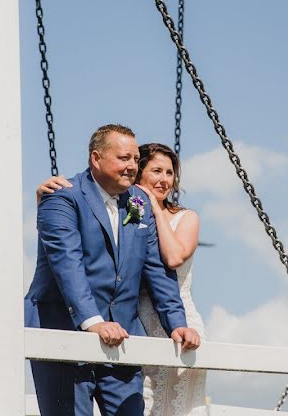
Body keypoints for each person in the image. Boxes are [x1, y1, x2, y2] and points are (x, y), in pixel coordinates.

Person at [25, 124, 201, 416]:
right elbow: (68, 264)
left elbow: (158, 271)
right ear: (96, 158)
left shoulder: (139, 203)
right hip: (63, 331)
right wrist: (92, 321)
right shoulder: (61, 198)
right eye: (123, 158)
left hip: (123, 339)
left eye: (135, 159)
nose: (132, 166)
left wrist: (177, 324)